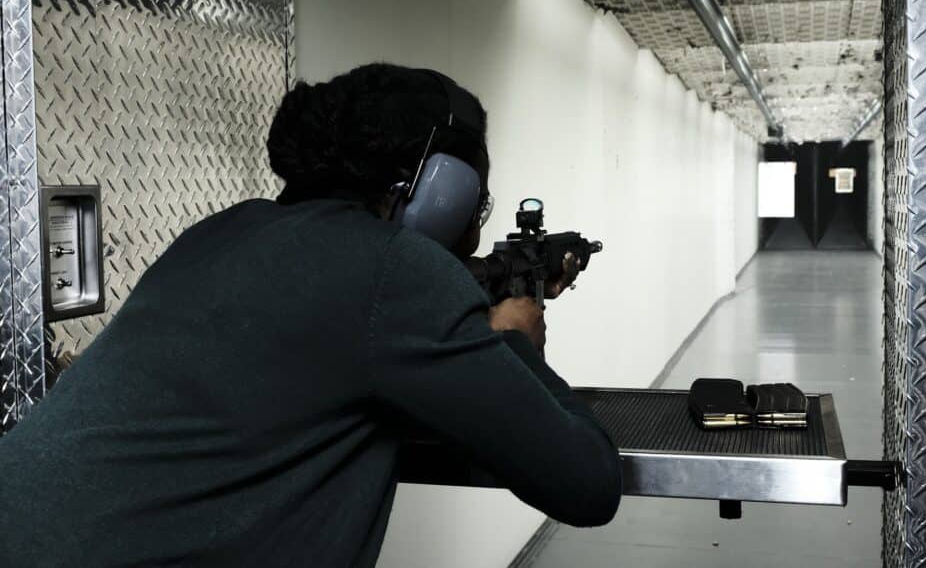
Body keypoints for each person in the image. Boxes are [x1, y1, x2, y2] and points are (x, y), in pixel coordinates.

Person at [0, 63, 622, 567]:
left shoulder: (220, 232)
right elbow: (587, 485)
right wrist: (514, 344)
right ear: (443, 190)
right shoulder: (395, 270)